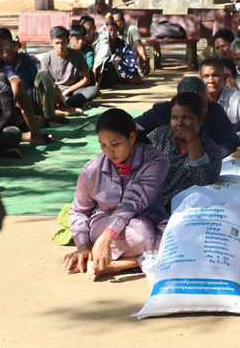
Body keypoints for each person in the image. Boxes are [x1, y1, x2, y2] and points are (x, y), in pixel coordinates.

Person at [65, 108, 169, 281]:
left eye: (115, 144)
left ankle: (116, 264)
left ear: (132, 137)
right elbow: (79, 211)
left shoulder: (156, 160)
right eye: (103, 145)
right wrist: (83, 246)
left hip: (150, 222)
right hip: (106, 224)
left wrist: (107, 237)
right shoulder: (92, 169)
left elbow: (133, 201)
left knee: (177, 241)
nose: (109, 151)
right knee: (141, 233)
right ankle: (137, 259)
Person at [149, 92, 223, 210]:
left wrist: (192, 138)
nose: (179, 123)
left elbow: (203, 181)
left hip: (184, 211)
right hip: (148, 205)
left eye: (186, 117)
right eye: (174, 118)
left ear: (201, 119)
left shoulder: (211, 149)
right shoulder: (159, 137)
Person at [135, 77, 240, 158]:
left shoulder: (215, 111)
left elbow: (230, 142)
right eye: (175, 118)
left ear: (208, 99)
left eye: (203, 104)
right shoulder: (161, 112)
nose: (199, 111)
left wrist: (205, 156)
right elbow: (131, 129)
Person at [0, 28, 77, 129]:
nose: (4, 47)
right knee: (21, 126)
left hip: (34, 101)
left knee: (44, 75)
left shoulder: (25, 59)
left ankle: (50, 117)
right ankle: (45, 119)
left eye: (6, 43)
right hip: (14, 107)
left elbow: (37, 82)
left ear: (14, 44)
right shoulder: (1, 65)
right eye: (0, 45)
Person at [0, 32, 49, 145]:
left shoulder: (5, 65)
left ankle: (33, 134)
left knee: (13, 134)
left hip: (5, 114)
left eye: (0, 50)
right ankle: (26, 136)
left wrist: (9, 108)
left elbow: (17, 83)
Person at [199, 58, 240, 132]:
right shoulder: (194, 98)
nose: (211, 81)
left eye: (215, 75)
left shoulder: (234, 96)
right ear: (200, 79)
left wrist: (232, 127)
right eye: (206, 76)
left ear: (224, 78)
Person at [40, 26, 100, 108]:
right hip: (55, 92)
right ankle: (65, 103)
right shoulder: (47, 58)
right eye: (57, 43)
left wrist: (68, 90)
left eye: (63, 42)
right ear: (51, 42)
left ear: (68, 41)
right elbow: (46, 82)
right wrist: (57, 93)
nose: (60, 46)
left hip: (74, 91)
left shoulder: (78, 55)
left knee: (94, 90)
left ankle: (62, 104)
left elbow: (86, 79)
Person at [111, 8, 150, 77]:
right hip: (117, 58)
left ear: (123, 20)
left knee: (136, 46)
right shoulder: (110, 31)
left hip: (130, 56)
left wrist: (146, 61)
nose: (117, 24)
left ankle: (138, 70)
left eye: (118, 21)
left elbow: (139, 46)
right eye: (115, 21)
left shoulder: (132, 29)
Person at [79, 15, 114, 88]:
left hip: (101, 70)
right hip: (86, 70)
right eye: (84, 29)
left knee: (104, 61)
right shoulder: (80, 41)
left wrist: (94, 67)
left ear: (94, 28)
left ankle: (97, 83)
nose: (86, 31)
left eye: (88, 29)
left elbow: (104, 53)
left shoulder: (102, 38)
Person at [106, 21, 141, 85]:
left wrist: (135, 73)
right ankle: (124, 79)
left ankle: (126, 77)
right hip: (106, 69)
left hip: (121, 68)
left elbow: (130, 58)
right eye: (110, 30)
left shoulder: (122, 44)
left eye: (115, 31)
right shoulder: (102, 43)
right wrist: (113, 56)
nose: (112, 33)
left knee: (122, 62)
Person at [0, 73, 23, 158]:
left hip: (1, 129)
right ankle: (2, 152)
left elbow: (8, 113)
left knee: (13, 133)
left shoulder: (0, 79)